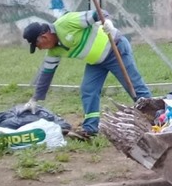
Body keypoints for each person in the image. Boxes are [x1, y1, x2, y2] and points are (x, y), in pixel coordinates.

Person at [22, 10, 151, 139]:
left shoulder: (67, 22)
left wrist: (107, 23)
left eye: (37, 45)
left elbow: (99, 13)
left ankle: (156, 116)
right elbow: (46, 74)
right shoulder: (53, 51)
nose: (39, 49)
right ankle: (90, 129)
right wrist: (35, 99)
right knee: (88, 90)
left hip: (115, 49)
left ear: (44, 36)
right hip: (96, 62)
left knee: (134, 86)